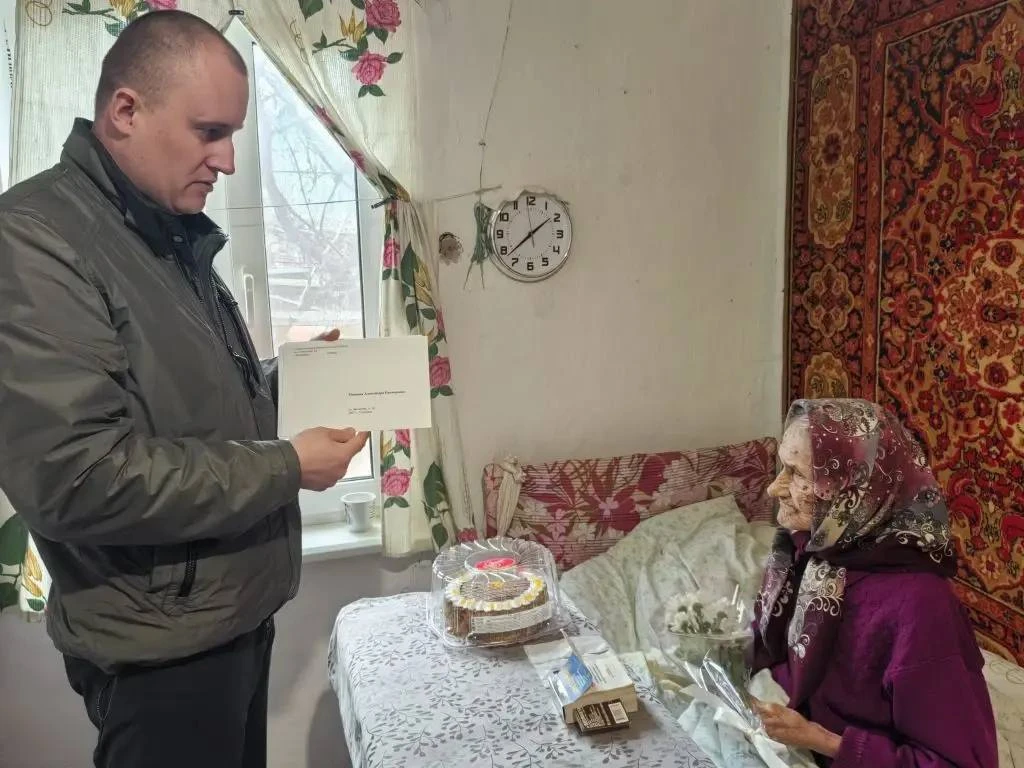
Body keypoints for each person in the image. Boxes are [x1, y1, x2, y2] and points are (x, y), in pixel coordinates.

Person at [0, 10, 367, 768]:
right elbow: (78, 477)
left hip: (224, 621)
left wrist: (289, 380)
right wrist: (289, 467)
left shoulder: (161, 232)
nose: (227, 160)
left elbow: (185, 412)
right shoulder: (36, 238)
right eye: (209, 132)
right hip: (162, 653)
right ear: (125, 111)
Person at [748, 398, 998, 766]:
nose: (774, 488)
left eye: (797, 474)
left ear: (855, 489)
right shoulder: (815, 546)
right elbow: (777, 644)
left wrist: (822, 740)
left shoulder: (920, 607)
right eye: (782, 468)